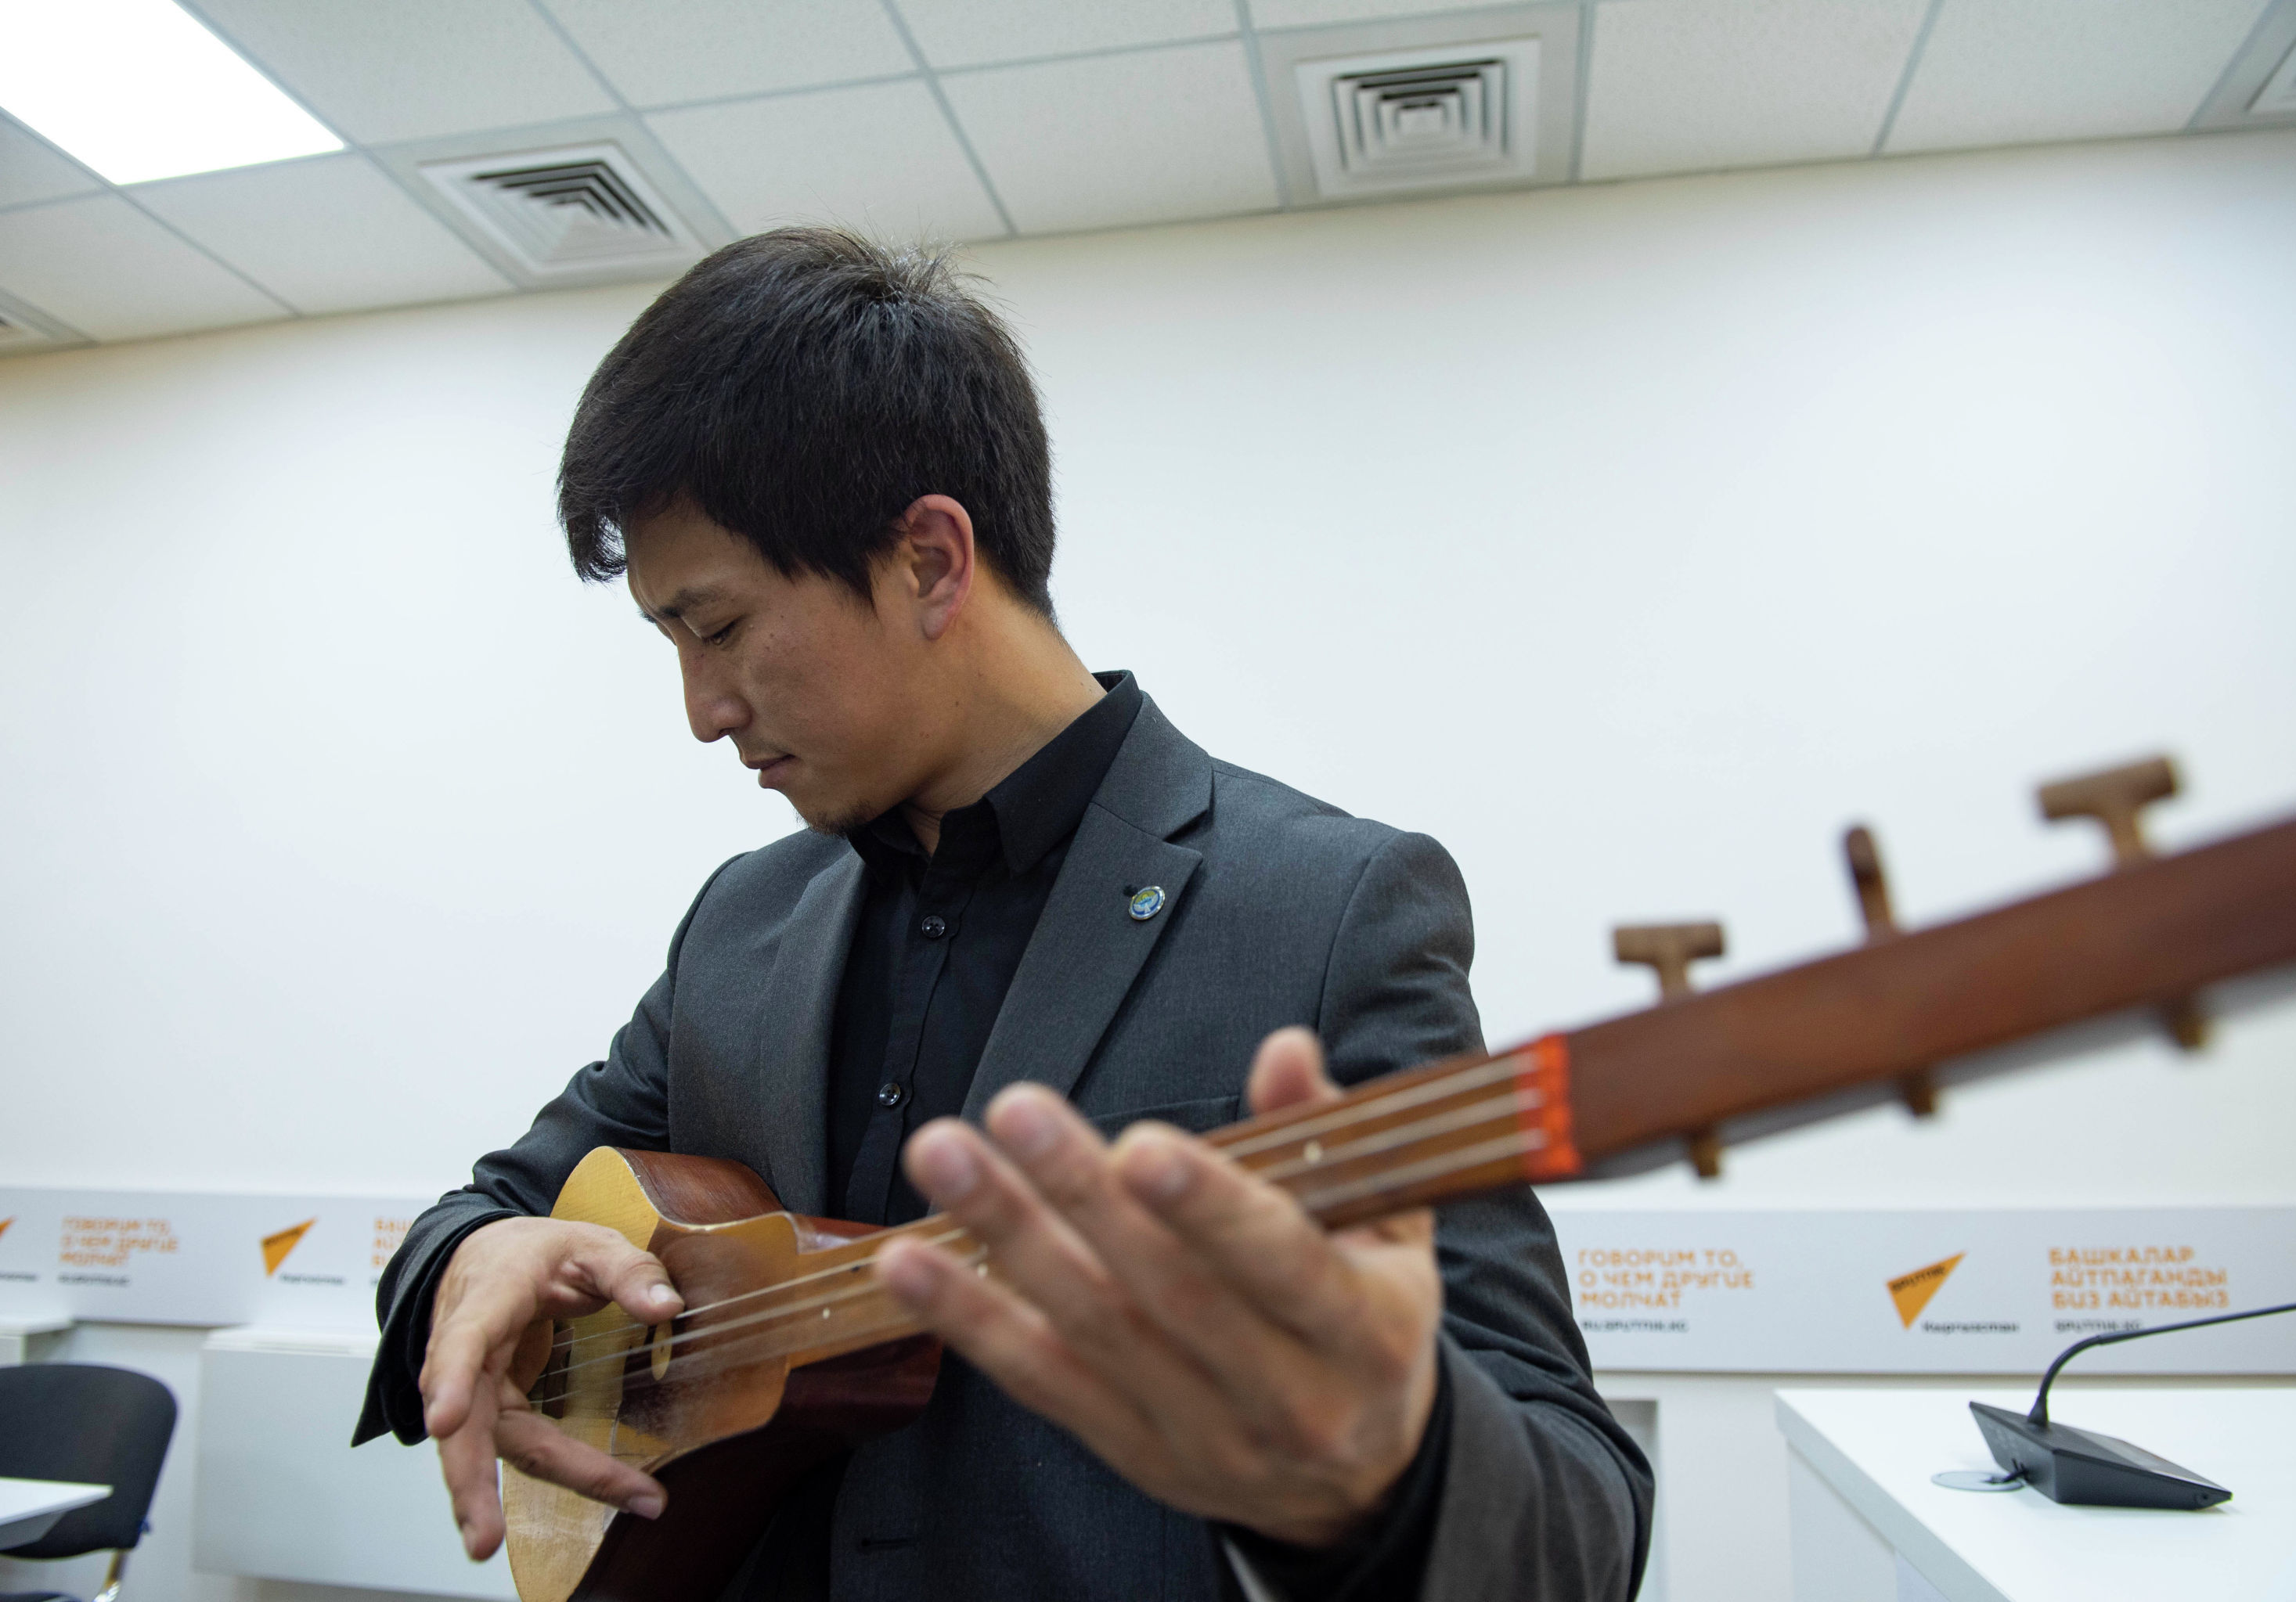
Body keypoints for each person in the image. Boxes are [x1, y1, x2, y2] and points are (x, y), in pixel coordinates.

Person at [354, 228, 1651, 1602]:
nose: (702, 713)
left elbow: (1580, 1521)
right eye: (671, 645)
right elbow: (486, 1209)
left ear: (929, 559)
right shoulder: (741, 925)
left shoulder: (1329, 913)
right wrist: (474, 1258)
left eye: (719, 629)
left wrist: (1385, 1464)